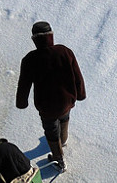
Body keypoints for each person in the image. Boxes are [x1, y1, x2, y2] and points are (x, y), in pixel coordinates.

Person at [16, 20, 85, 172]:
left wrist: (21, 102)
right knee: (64, 118)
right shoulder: (65, 51)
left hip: (47, 106)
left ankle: (59, 159)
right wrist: (80, 94)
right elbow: (77, 76)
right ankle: (63, 141)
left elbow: (24, 85)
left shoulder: (30, 60)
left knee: (51, 130)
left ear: (34, 39)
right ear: (51, 36)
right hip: (67, 100)